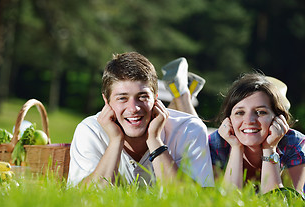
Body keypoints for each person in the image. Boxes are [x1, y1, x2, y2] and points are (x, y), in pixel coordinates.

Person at [67, 52, 214, 187]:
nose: (133, 108)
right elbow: (83, 200)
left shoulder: (190, 129)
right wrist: (116, 141)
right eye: (122, 98)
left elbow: (193, 203)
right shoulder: (89, 131)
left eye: (142, 97)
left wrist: (155, 141)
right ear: (106, 101)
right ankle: (182, 96)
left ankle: (182, 96)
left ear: (156, 98)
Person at [209, 73, 305, 194]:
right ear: (229, 119)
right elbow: (227, 202)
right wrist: (236, 148)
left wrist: (270, 148)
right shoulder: (216, 143)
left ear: (277, 118)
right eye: (240, 112)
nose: (249, 120)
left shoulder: (294, 144)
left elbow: (279, 204)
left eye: (260, 112)